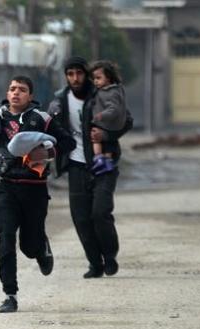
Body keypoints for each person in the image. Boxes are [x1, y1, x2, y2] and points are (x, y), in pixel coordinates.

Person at [0, 76, 74, 313]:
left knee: (28, 246)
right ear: (7, 94)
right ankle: (10, 294)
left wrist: (47, 153)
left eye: (22, 90)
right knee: (5, 238)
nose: (16, 93)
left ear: (30, 95)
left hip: (34, 189)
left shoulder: (42, 120)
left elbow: (68, 142)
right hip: (7, 188)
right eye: (12, 89)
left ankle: (41, 248)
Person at [48, 57, 132, 279]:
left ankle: (110, 255)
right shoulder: (60, 100)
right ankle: (95, 263)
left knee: (100, 212)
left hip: (104, 162)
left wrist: (106, 134)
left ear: (86, 74)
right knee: (81, 218)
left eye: (79, 73)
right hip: (76, 166)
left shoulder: (100, 94)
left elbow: (127, 120)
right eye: (70, 74)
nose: (75, 78)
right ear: (66, 76)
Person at [89, 60, 127, 175]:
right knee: (108, 144)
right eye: (94, 78)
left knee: (96, 137)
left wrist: (101, 115)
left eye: (98, 78)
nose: (95, 81)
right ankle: (107, 161)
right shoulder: (108, 91)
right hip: (110, 124)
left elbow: (114, 109)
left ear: (108, 78)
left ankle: (99, 158)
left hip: (106, 123)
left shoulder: (110, 92)